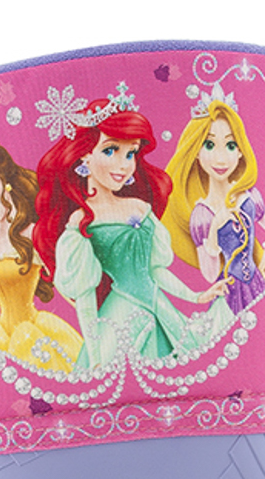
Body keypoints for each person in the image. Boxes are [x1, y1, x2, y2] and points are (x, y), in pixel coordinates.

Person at [34, 97, 228, 371]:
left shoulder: (140, 208)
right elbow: (86, 297)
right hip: (120, 320)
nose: (124, 165)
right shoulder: (82, 221)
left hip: (161, 310)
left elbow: (155, 271)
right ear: (85, 155)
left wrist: (196, 296)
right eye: (110, 150)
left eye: (130, 154)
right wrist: (96, 355)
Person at [0, 132, 82, 372]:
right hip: (0, 336)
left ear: (4, 178)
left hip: (34, 333)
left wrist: (88, 312)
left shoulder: (32, 233)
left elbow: (62, 283)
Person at [164, 87, 265, 315]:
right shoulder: (202, 215)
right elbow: (209, 275)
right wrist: (215, 228)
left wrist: (264, 263)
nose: (220, 158)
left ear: (240, 151)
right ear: (196, 152)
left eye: (230, 145)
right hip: (229, 294)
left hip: (257, 284)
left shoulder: (248, 196)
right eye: (209, 145)